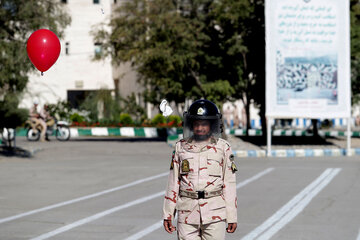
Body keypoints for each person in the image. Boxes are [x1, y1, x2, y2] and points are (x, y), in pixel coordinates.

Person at [163, 99, 238, 240]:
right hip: (187, 212)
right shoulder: (181, 147)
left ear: (212, 125)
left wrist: (232, 216)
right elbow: (173, 182)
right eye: (196, 123)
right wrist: (168, 213)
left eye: (204, 124)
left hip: (215, 211)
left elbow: (229, 183)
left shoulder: (223, 148)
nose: (199, 128)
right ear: (191, 125)